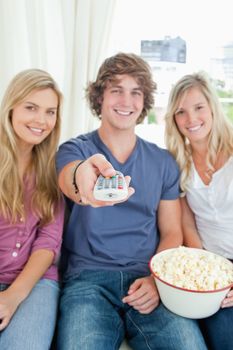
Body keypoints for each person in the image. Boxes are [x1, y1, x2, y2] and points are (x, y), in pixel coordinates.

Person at [56, 53, 207, 350]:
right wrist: (83, 180)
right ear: (99, 97)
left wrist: (155, 279)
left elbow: (172, 231)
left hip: (148, 279)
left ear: (144, 101)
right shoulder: (75, 149)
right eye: (116, 90)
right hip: (88, 281)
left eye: (135, 92)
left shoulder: (163, 162)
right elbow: (71, 179)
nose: (126, 101)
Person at [165, 71, 233, 350]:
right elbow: (188, 224)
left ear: (212, 108)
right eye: (181, 112)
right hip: (212, 268)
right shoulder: (177, 163)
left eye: (198, 108)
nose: (191, 119)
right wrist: (211, 273)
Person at [0, 69, 65, 350]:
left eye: (50, 112)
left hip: (35, 281)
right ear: (11, 107)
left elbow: (48, 243)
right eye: (31, 108)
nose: (41, 120)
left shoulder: (54, 167)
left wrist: (14, 296)